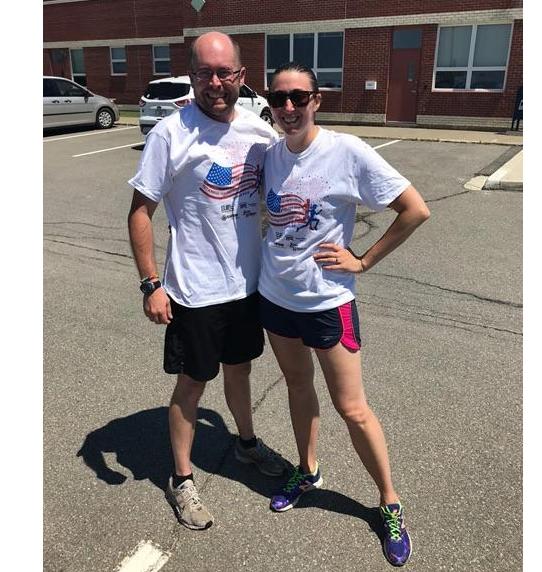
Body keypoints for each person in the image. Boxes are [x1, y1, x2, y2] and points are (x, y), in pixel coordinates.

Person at [259, 62, 430, 567]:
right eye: (279, 97)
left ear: (317, 100)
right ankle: (307, 470)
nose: (289, 107)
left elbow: (415, 209)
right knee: (296, 386)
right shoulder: (270, 155)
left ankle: (389, 502)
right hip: (276, 298)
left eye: (299, 97)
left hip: (328, 301)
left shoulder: (346, 151)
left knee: (352, 408)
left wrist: (363, 260)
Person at [127, 32, 285, 531]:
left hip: (247, 287)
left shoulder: (261, 133)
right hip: (193, 291)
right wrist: (151, 283)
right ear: (191, 75)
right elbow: (140, 211)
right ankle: (181, 478)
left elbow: (294, 183)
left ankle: (245, 444)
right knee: (192, 384)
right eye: (204, 73)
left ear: (242, 74)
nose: (215, 83)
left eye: (225, 73)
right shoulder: (170, 134)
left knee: (241, 372)